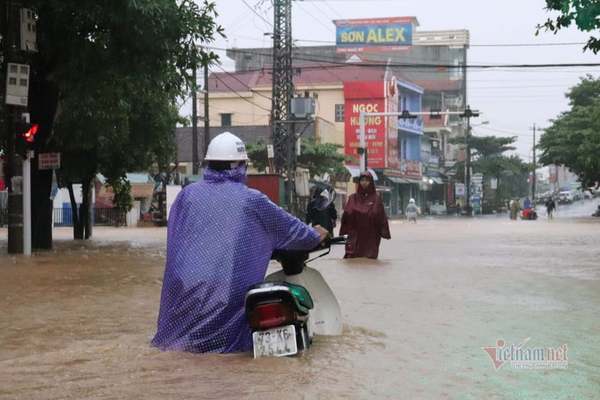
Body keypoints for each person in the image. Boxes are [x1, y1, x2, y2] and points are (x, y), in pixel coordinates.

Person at [151, 132, 328, 353]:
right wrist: (317, 233)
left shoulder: (187, 196)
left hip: (184, 291)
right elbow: (297, 233)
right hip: (228, 295)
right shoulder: (252, 200)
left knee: (176, 350)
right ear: (240, 166)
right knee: (234, 350)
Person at [339, 171, 391, 259]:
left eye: (367, 180)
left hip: (371, 235)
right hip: (355, 235)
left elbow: (381, 218)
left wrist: (385, 232)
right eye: (362, 180)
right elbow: (346, 215)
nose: (364, 182)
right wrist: (344, 231)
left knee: (369, 258)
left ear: (371, 182)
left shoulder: (376, 199)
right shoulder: (353, 198)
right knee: (352, 258)